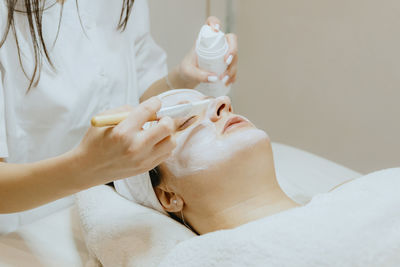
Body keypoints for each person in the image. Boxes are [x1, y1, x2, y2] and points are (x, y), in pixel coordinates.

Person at [0, 0, 238, 231]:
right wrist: (86, 167)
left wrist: (182, 78)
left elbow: (139, 101)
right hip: (29, 229)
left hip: (112, 215)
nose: (224, 106)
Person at [114, 89, 299, 235]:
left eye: (211, 101)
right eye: (186, 120)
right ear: (169, 196)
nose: (223, 102)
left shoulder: (328, 208)